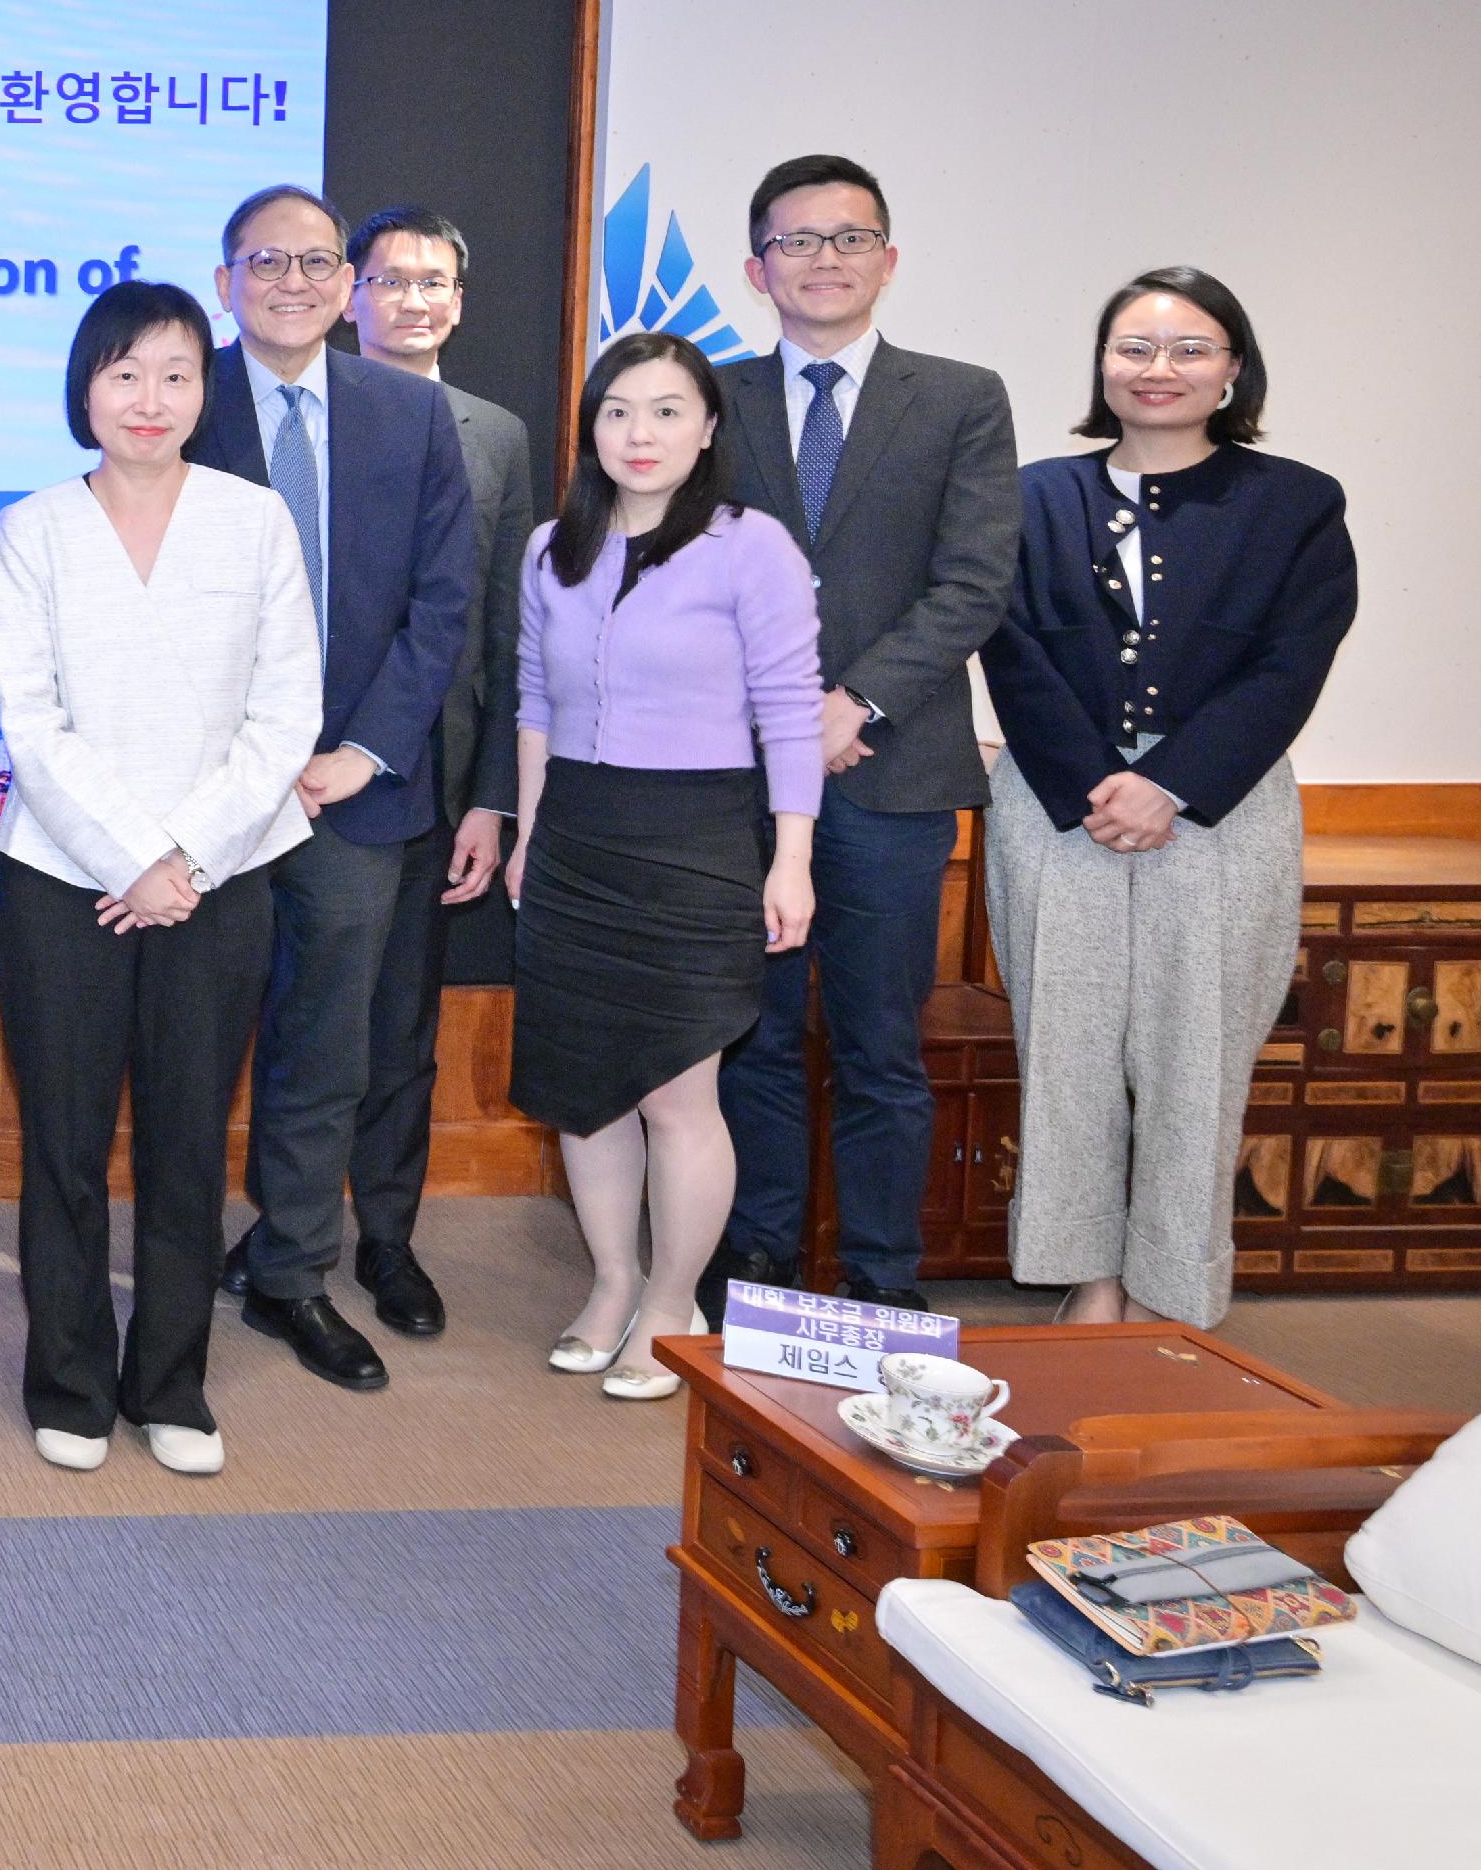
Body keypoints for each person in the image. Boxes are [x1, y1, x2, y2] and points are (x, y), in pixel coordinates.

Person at [979, 269, 1353, 1329]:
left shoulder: (1295, 503)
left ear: (1233, 369)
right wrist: (1099, 783)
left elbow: (1291, 664)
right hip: (1061, 809)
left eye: (1189, 349)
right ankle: (1086, 1280)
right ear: (1101, 366)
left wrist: (1172, 785)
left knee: (1197, 1060)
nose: (1159, 370)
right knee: (1066, 1054)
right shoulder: (1033, 494)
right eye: (1133, 348)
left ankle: (1170, 1293)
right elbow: (1004, 644)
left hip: (1221, 816)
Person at [0, 284, 322, 1475]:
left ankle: (171, 1386)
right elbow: (30, 721)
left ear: (206, 390)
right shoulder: (34, 527)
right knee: (66, 1145)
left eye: (177, 375)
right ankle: (70, 1383)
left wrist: (181, 860)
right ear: (85, 386)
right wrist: (132, 856)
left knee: (189, 1140)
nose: (150, 400)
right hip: (62, 881)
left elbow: (285, 712)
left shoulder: (255, 521)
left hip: (219, 880)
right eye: (125, 374)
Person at [706, 156, 1020, 1316]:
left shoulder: (959, 398)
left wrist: (855, 703)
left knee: (884, 1050)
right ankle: (759, 1267)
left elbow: (975, 580)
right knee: (757, 1039)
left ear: (888, 260)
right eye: (798, 241)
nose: (824, 259)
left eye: (849, 238)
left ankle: (884, 1287)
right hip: (736, 784)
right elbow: (676, 575)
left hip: (894, 773)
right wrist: (786, 715)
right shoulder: (708, 397)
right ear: (756, 268)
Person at [190, 185, 473, 1391]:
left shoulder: (408, 414)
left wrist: (362, 751)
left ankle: (294, 1276)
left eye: (317, 262)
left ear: (344, 283)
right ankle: (179, 1255)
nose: (295, 282)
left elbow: (443, 603)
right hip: (204, 794)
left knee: (325, 1045)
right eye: (269, 262)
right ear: (225, 280)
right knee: (193, 1041)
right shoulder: (174, 393)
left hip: (352, 789)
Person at [506, 334, 821, 1400]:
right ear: (589, 428)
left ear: (708, 426)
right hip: (575, 841)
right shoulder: (553, 547)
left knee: (679, 1094)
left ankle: (672, 1302)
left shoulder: (751, 546)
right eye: (617, 412)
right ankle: (609, 1282)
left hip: (696, 840)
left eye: (666, 411)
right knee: (585, 1094)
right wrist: (526, 835)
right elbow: (535, 706)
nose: (639, 435)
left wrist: (791, 861)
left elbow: (788, 711)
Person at [339, 205, 536, 1340]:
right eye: (388, 279)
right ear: (349, 293)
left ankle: (388, 1238)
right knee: (288, 1018)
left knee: (398, 1024)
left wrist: (493, 796)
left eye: (432, 281)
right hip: (280, 781)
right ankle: (288, 1225)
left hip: (430, 777)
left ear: (458, 300)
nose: (410, 299)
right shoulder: (272, 416)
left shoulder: (496, 435)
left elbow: (510, 629)